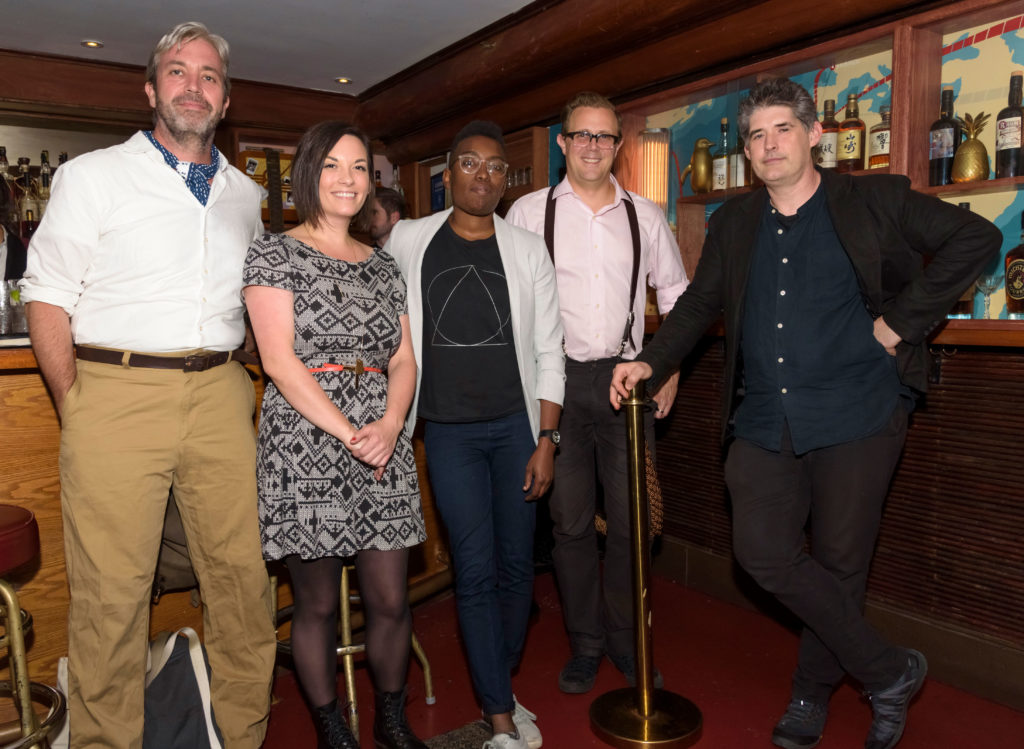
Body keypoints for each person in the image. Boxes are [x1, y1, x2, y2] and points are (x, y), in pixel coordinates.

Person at [610, 78, 1001, 749]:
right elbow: (700, 305)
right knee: (760, 551)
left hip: (860, 411)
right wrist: (654, 359)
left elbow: (979, 238)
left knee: (843, 563)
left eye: (781, 130)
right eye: (757, 135)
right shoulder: (733, 223)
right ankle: (890, 669)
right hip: (764, 415)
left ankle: (810, 693)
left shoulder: (871, 199)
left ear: (813, 134)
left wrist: (899, 324)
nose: (767, 145)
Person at [21, 21, 277, 747]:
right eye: (177, 71)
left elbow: (250, 306)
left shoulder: (245, 196)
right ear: (150, 89)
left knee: (240, 583)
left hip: (223, 393)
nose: (192, 85)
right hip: (116, 391)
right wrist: (77, 402)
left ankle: (241, 735)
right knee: (111, 597)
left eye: (208, 76)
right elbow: (47, 295)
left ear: (224, 100)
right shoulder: (92, 176)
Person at [244, 121, 427, 749]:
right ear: (307, 175)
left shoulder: (384, 265)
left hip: (384, 437)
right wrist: (353, 431)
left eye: (359, 168)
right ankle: (332, 730)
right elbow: (279, 362)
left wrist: (392, 424)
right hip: (306, 442)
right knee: (317, 604)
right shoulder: (274, 252)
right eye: (332, 166)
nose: (348, 180)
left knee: (390, 599)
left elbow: (403, 358)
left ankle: (393, 722)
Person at [385, 120, 564, 749]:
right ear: (448, 174)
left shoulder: (526, 249)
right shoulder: (409, 239)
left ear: (504, 179)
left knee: (518, 569)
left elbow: (549, 349)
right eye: (469, 164)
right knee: (475, 569)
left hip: (518, 429)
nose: (482, 176)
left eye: (495, 167)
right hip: (450, 435)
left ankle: (499, 678)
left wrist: (548, 439)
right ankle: (499, 717)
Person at [505, 91, 687, 693]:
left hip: (626, 380)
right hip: (556, 385)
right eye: (581, 135)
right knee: (571, 525)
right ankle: (585, 644)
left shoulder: (646, 215)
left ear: (618, 146)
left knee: (635, 523)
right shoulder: (529, 214)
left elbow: (679, 299)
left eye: (604, 137)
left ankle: (625, 641)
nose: (592, 146)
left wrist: (670, 369)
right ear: (562, 144)